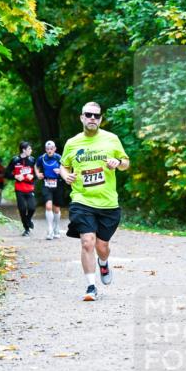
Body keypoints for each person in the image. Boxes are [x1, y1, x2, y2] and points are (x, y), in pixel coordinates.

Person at [58, 102, 130, 301]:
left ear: (100, 119)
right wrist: (65, 176)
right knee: (87, 242)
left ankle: (104, 263)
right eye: (88, 115)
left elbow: (126, 163)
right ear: (81, 117)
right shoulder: (72, 143)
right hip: (82, 200)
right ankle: (91, 286)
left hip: (108, 203)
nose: (92, 118)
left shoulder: (111, 139)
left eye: (96, 116)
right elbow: (63, 166)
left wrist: (118, 163)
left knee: (102, 246)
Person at [35, 140, 66, 239]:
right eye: (48, 149)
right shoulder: (42, 158)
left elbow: (66, 167)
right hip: (46, 184)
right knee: (48, 206)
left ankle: (56, 227)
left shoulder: (59, 158)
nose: (49, 150)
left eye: (51, 149)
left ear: (55, 149)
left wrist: (60, 171)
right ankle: (50, 230)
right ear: (45, 149)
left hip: (58, 184)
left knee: (56, 209)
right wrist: (38, 173)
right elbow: (36, 166)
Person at [7, 142, 38, 235]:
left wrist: (32, 176)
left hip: (29, 187)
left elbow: (37, 174)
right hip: (19, 188)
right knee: (22, 209)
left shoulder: (32, 160)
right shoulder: (15, 160)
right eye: (29, 149)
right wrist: (15, 176)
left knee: (32, 208)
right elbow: (7, 174)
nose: (31, 151)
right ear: (23, 150)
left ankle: (28, 220)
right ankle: (26, 229)